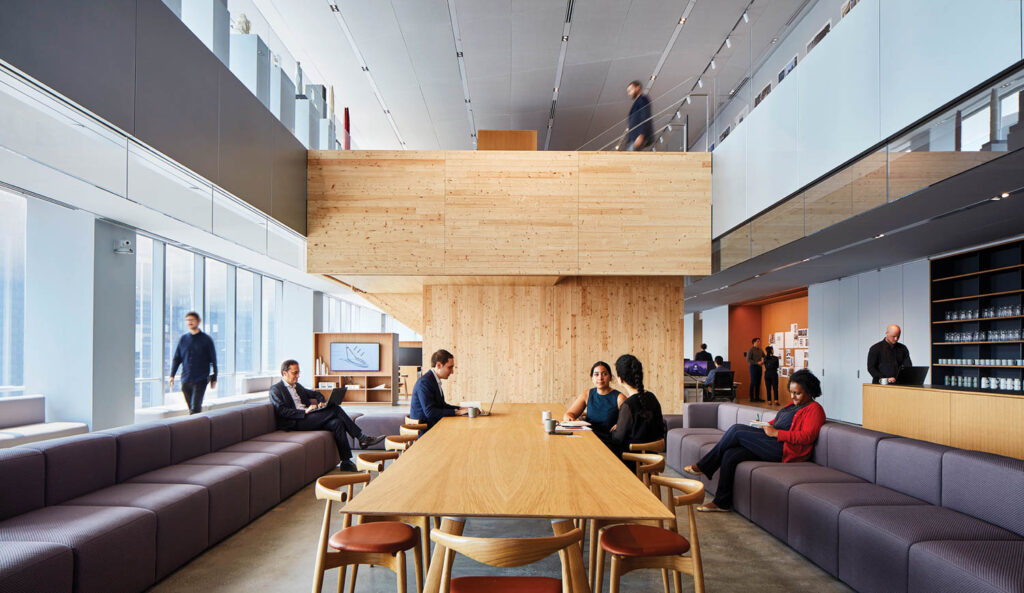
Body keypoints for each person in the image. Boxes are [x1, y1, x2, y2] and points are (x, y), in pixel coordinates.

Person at [684, 369, 826, 512]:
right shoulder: (793, 405)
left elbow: (808, 436)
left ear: (809, 391)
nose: (793, 396)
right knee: (731, 454)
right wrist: (766, 424)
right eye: (791, 392)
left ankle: (704, 466)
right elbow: (779, 421)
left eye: (797, 393)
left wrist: (777, 433)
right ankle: (722, 502)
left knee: (736, 430)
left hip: (784, 450)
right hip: (773, 441)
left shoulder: (815, 409)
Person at [269, 360, 384, 472]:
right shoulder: (276, 390)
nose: (298, 376)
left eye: (298, 372)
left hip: (307, 417)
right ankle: (362, 438)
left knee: (337, 423)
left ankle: (346, 462)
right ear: (285, 373)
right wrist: (305, 411)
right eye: (295, 373)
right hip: (295, 422)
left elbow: (316, 394)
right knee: (335, 409)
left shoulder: (297, 386)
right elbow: (281, 411)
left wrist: (321, 402)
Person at [609, 354, 665, 459]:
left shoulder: (628, 405)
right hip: (652, 456)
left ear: (620, 379)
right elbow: (659, 428)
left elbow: (618, 439)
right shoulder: (652, 397)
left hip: (632, 459)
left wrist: (616, 429)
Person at [563, 361, 627, 447]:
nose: (600, 378)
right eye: (596, 374)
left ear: (610, 377)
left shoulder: (619, 397)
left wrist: (620, 425)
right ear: (592, 378)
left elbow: (632, 421)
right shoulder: (587, 394)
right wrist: (569, 418)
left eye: (604, 374)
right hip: (588, 438)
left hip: (608, 442)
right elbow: (570, 413)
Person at [169, 311, 217, 414]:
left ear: (198, 322)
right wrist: (172, 375)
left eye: (192, 320)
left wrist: (214, 378)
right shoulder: (183, 339)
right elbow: (177, 358)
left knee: (195, 408)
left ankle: (195, 428)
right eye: (187, 320)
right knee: (191, 407)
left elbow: (213, 360)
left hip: (201, 379)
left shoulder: (206, 340)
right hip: (186, 379)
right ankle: (197, 425)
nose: (190, 322)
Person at [410, 349, 468, 430]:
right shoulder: (424, 382)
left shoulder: (433, 380)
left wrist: (460, 408)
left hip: (434, 426)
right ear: (438, 365)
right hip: (426, 431)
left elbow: (442, 406)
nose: (452, 372)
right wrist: (457, 412)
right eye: (450, 367)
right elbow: (430, 412)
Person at [625, 80, 654, 151]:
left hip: (637, 137)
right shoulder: (638, 102)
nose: (629, 93)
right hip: (633, 138)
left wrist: (641, 134)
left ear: (638, 87)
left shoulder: (643, 100)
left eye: (631, 90)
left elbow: (645, 117)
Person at [746, 337, 765, 402]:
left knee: (758, 382)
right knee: (753, 382)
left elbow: (764, 356)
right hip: (753, 367)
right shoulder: (751, 349)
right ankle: (751, 398)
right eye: (757, 341)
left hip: (759, 367)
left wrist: (763, 361)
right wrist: (757, 362)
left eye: (759, 341)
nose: (759, 342)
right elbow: (748, 359)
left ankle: (757, 397)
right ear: (754, 342)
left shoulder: (760, 349)